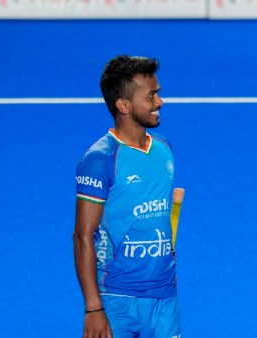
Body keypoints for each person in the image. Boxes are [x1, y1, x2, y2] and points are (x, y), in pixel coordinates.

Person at [73, 55, 180, 338]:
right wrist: (94, 308)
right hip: (117, 299)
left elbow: (160, 217)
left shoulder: (164, 149)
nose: (160, 102)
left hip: (165, 295)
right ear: (123, 105)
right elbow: (83, 235)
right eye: (151, 96)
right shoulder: (100, 160)